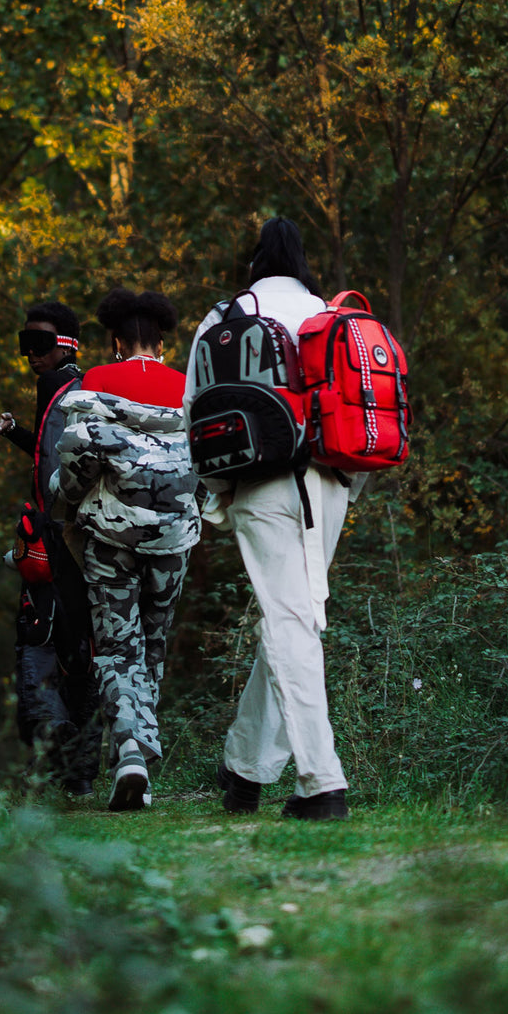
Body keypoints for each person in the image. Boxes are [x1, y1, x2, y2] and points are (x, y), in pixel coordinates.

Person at [184, 218, 367, 821]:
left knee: (288, 624)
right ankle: (245, 769)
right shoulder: (331, 317)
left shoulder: (227, 317)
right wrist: (346, 487)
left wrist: (217, 495)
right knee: (294, 621)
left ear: (255, 260)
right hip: (332, 482)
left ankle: (322, 784)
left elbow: (195, 412)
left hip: (264, 487)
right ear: (305, 261)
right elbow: (360, 404)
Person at [53, 288, 201, 811]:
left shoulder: (96, 382)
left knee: (117, 647)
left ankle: (130, 750)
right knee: (153, 646)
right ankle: (137, 759)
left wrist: (64, 501)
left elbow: (77, 462)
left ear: (117, 341)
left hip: (110, 537)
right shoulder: (187, 388)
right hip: (174, 538)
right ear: (161, 342)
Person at [0, 301, 103, 797]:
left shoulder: (55, 385)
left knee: (40, 641)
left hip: (54, 539)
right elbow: (58, 452)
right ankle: (81, 774)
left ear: (66, 344)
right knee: (82, 649)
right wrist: (12, 433)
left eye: (40, 345)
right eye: (25, 345)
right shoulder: (82, 384)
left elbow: (60, 467)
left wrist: (47, 530)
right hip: (87, 538)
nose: (31, 355)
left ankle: (60, 747)